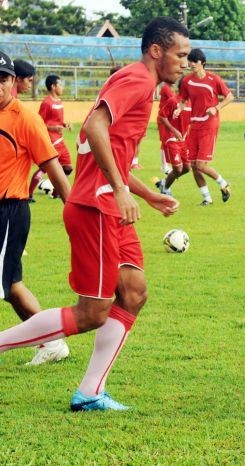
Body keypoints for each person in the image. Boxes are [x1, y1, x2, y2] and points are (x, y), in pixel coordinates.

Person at [0, 17, 188, 411]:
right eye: (180, 54)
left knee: (133, 293)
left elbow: (107, 152)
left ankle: (89, 392)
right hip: (96, 208)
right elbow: (94, 126)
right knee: (91, 313)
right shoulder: (137, 80)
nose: (185, 63)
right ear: (157, 51)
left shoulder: (143, 86)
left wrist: (148, 195)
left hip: (108, 206)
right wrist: (120, 191)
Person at [0, 51, 72, 366]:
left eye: (2, 79)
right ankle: (51, 341)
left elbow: (53, 167)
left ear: (13, 81)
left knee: (8, 284)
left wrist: (74, 209)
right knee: (12, 285)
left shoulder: (25, 118)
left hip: (9, 212)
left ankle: (51, 340)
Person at [175, 48, 232, 206]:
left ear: (203, 63)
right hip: (194, 126)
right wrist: (179, 109)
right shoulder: (187, 81)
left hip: (209, 125)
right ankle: (207, 198)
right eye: (190, 61)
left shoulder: (214, 79)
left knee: (201, 165)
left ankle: (223, 184)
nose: (192, 64)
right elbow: (182, 99)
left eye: (195, 61)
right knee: (193, 166)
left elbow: (229, 96)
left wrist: (216, 108)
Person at [29, 75, 74, 202]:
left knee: (68, 168)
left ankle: (56, 192)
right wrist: (53, 128)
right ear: (53, 87)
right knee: (45, 168)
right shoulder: (46, 103)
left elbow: (57, 120)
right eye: (60, 85)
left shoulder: (59, 102)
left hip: (59, 138)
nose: (62, 87)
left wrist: (65, 124)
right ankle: (29, 194)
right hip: (51, 139)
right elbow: (39, 122)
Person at [157, 81, 191, 196]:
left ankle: (163, 182)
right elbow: (162, 116)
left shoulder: (191, 103)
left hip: (183, 140)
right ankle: (165, 189)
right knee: (178, 168)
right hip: (171, 138)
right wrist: (174, 130)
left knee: (187, 168)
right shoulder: (173, 101)